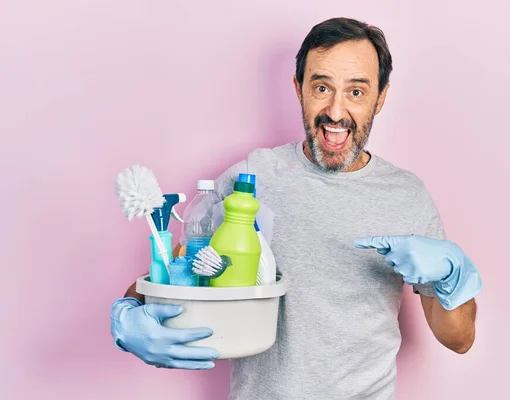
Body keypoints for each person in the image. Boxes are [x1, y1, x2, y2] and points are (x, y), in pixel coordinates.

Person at [110, 17, 483, 399]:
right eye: (322, 87)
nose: (336, 112)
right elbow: (171, 274)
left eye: (356, 92)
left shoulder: (406, 196)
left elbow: (458, 339)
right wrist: (127, 317)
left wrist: (450, 277)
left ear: (381, 97)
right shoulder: (250, 179)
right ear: (298, 89)